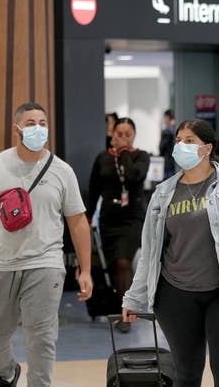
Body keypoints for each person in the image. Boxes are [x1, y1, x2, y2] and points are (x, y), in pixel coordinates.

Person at [122, 119, 219, 387]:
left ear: (206, 148)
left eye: (190, 141)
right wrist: (134, 298)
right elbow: (150, 252)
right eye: (179, 140)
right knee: (186, 375)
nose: (181, 145)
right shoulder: (163, 193)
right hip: (175, 295)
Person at [0, 102, 93, 387]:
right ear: (17, 128)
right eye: (31, 123)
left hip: (45, 263)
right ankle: (7, 372)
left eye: (42, 122)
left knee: (41, 337)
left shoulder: (62, 171)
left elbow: (78, 222)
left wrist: (86, 269)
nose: (38, 128)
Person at [88, 117, 150, 333]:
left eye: (127, 134)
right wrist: (87, 217)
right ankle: (119, 306)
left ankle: (127, 312)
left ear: (133, 135)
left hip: (132, 219)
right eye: (119, 133)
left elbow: (134, 176)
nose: (122, 137)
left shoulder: (141, 156)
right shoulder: (102, 158)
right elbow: (94, 188)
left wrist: (123, 151)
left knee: (124, 262)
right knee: (115, 264)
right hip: (108, 220)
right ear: (111, 134)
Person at [159, 109, 177, 179]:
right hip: (176, 162)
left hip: (168, 162)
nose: (164, 120)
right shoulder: (178, 129)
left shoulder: (167, 131)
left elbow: (161, 148)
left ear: (168, 117)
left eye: (165, 118)